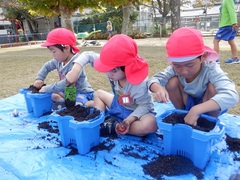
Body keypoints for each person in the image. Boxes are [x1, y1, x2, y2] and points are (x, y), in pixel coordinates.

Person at [66, 34, 158, 137]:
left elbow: (145, 105)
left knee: (151, 124)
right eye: (106, 69)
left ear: (127, 67)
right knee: (99, 94)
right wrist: (76, 69)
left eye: (113, 70)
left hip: (137, 112)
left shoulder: (139, 83)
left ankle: (113, 126)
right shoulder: (112, 70)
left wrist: (129, 120)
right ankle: (100, 120)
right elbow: (88, 55)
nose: (109, 74)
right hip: (119, 105)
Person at [148, 27, 239, 126]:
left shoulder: (211, 69)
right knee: (171, 82)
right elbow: (153, 80)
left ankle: (208, 122)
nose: (184, 71)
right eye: (177, 65)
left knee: (213, 87)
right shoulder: (173, 69)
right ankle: (182, 115)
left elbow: (231, 95)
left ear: (203, 57)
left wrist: (197, 109)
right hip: (187, 102)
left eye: (190, 65)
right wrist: (158, 88)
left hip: (208, 104)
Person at [33, 28, 94, 109]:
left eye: (54, 51)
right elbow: (46, 66)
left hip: (82, 93)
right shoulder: (58, 61)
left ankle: (94, 103)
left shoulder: (77, 62)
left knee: (78, 104)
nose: (52, 55)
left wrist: (47, 88)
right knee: (54, 96)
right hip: (68, 93)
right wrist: (39, 78)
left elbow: (66, 83)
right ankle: (66, 105)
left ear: (66, 48)